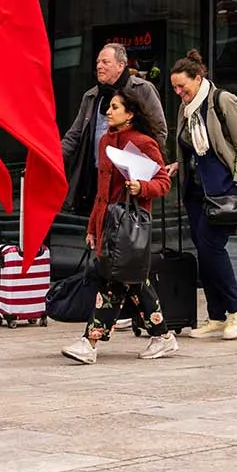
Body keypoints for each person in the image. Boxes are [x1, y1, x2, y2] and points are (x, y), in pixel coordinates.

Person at [62, 91, 177, 364]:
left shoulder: (144, 142)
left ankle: (89, 343)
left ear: (130, 113)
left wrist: (141, 187)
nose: (108, 112)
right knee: (134, 281)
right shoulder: (104, 142)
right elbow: (102, 193)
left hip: (128, 225)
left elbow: (163, 182)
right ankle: (162, 336)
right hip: (107, 223)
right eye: (108, 107)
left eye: (114, 107)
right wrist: (93, 227)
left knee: (113, 282)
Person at [166, 50, 237, 339]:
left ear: (199, 78)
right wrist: (177, 165)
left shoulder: (222, 101)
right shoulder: (186, 110)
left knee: (212, 247)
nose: (179, 92)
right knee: (205, 250)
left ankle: (235, 311)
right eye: (175, 88)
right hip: (196, 191)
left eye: (183, 86)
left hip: (225, 190)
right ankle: (216, 316)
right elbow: (190, 149)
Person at [60, 44, 170, 221]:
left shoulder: (142, 89)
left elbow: (159, 131)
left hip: (127, 181)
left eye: (105, 62)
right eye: (97, 62)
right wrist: (52, 161)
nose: (99, 66)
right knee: (97, 230)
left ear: (121, 65)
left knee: (124, 233)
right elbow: (74, 136)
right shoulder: (92, 96)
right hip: (96, 175)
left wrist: (144, 176)